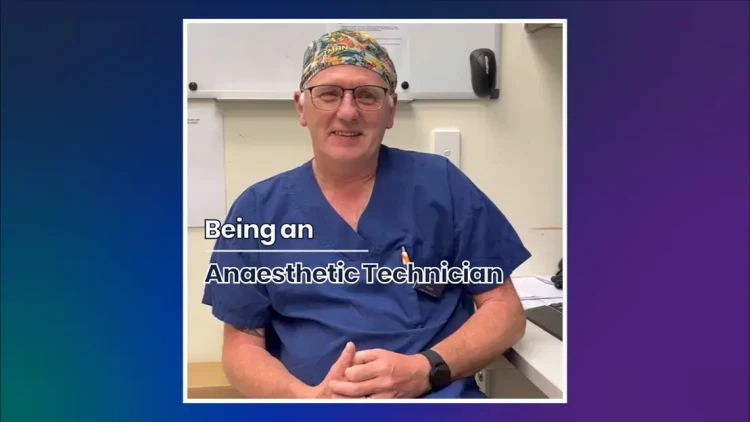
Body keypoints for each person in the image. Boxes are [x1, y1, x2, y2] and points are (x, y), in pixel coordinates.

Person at [202, 30, 531, 399]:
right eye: (328, 94)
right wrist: (306, 399)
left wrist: (426, 369)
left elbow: (504, 310)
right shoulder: (257, 210)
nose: (348, 111)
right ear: (300, 108)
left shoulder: (441, 186)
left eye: (367, 96)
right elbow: (241, 346)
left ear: (390, 110)